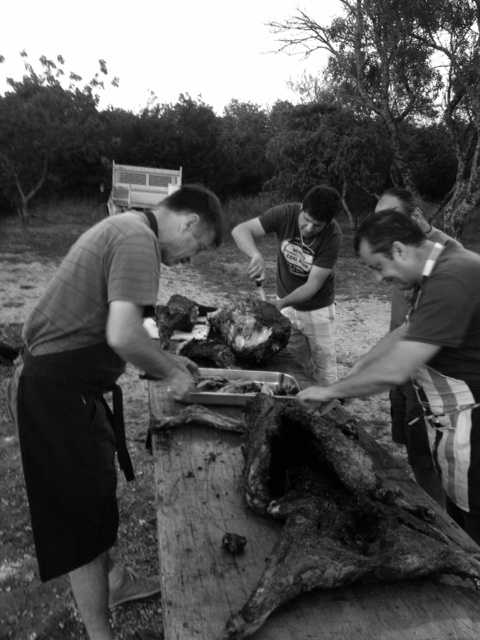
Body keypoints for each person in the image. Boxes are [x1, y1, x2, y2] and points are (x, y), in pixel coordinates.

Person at [16, 185, 225, 640]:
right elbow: (124, 335)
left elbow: (141, 324)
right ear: (189, 222)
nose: (190, 260)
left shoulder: (132, 230)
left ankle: (112, 582)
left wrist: (168, 356)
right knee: (81, 520)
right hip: (56, 393)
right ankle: (100, 633)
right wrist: (171, 375)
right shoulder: (137, 240)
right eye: (198, 247)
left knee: (94, 496)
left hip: (73, 389)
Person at [297, 209, 480, 546]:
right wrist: (357, 370)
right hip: (456, 428)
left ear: (399, 249)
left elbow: (397, 369)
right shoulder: (437, 271)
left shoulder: (453, 276)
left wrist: (328, 392)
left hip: (475, 429)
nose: (379, 279)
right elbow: (406, 332)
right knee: (460, 524)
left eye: (378, 267)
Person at [375, 187, 462, 507]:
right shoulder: (402, 247)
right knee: (413, 448)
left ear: (415, 216)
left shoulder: (446, 253)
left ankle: (442, 520)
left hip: (426, 375)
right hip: (403, 369)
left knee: (430, 457)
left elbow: (420, 328)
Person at [231, 185, 343, 385]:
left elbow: (312, 286)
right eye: (306, 220)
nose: (309, 228)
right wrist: (255, 254)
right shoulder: (285, 214)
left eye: (317, 226)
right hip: (285, 305)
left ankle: (331, 399)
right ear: (301, 209)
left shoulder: (333, 236)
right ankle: (303, 396)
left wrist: (281, 304)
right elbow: (240, 230)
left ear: (327, 223)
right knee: (296, 363)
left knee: (324, 368)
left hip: (318, 310)